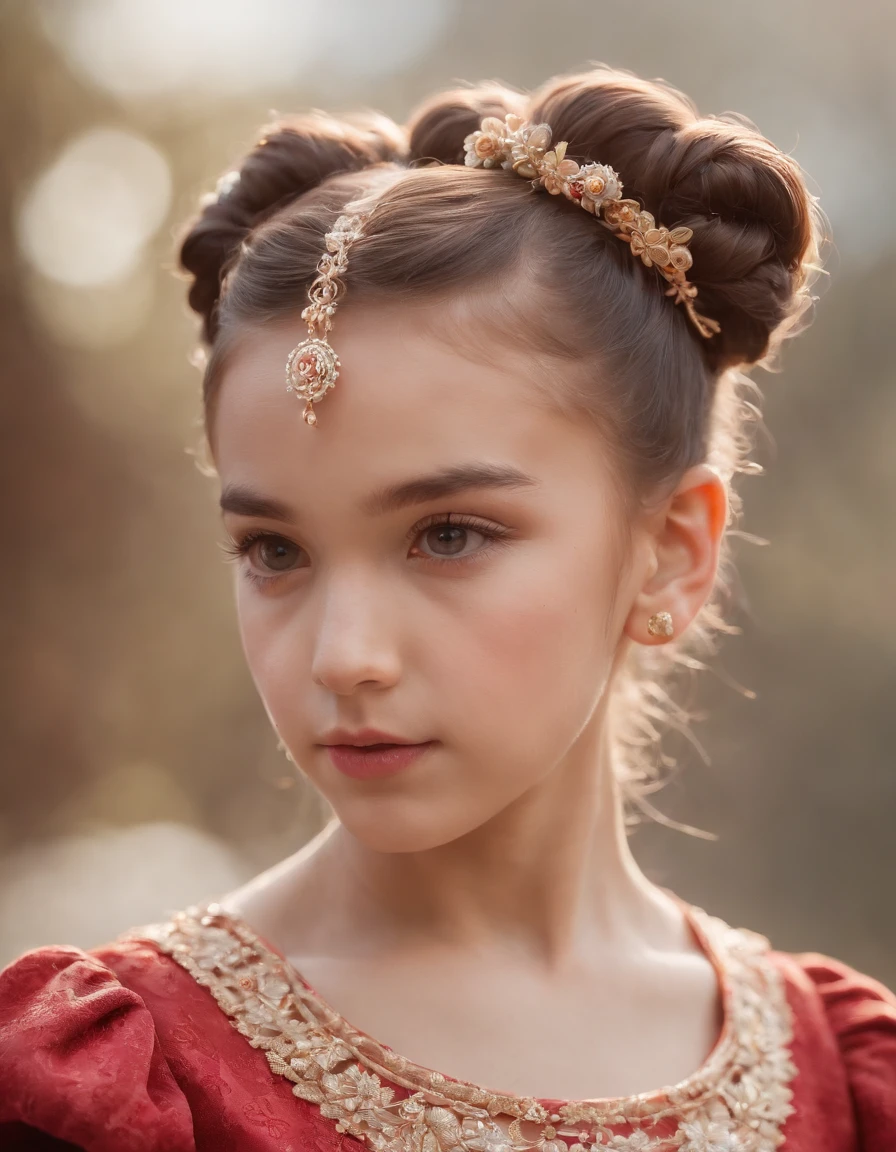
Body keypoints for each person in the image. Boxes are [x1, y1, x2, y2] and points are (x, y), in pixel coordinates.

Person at [0, 65, 893, 1152]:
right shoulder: (118, 1096)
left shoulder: (846, 1090)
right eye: (273, 550)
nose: (344, 656)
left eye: (447, 535)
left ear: (669, 552)